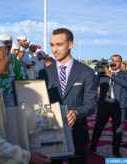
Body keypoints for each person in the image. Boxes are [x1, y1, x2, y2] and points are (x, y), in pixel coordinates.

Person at [41, 28, 97, 164]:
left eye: (59, 44)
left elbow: (92, 104)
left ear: (70, 44)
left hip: (77, 134)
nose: (54, 49)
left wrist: (77, 112)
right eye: (52, 45)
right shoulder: (44, 72)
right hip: (51, 134)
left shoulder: (86, 72)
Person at [89, 54, 127, 157]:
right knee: (97, 127)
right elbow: (93, 84)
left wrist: (110, 75)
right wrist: (99, 73)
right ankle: (92, 148)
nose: (114, 62)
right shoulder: (104, 73)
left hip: (119, 106)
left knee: (117, 130)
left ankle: (115, 151)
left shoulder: (126, 74)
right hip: (104, 105)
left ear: (121, 63)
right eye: (112, 60)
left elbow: (126, 84)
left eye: (116, 61)